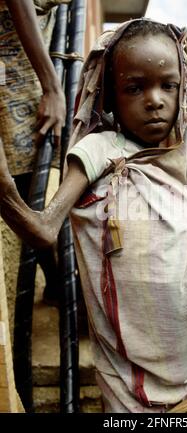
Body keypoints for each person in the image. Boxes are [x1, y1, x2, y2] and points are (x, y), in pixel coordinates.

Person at [0, 18, 187, 413]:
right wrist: (5, 191)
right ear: (110, 97)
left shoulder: (182, 157)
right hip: (130, 383)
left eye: (168, 86)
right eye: (134, 87)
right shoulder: (100, 149)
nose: (155, 99)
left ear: (184, 90)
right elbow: (43, 230)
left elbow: (176, 235)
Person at [0, 0, 69, 308]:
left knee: (31, 179)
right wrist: (52, 87)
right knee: (23, 184)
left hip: (26, 61)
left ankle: (53, 278)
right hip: (14, 61)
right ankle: (54, 278)